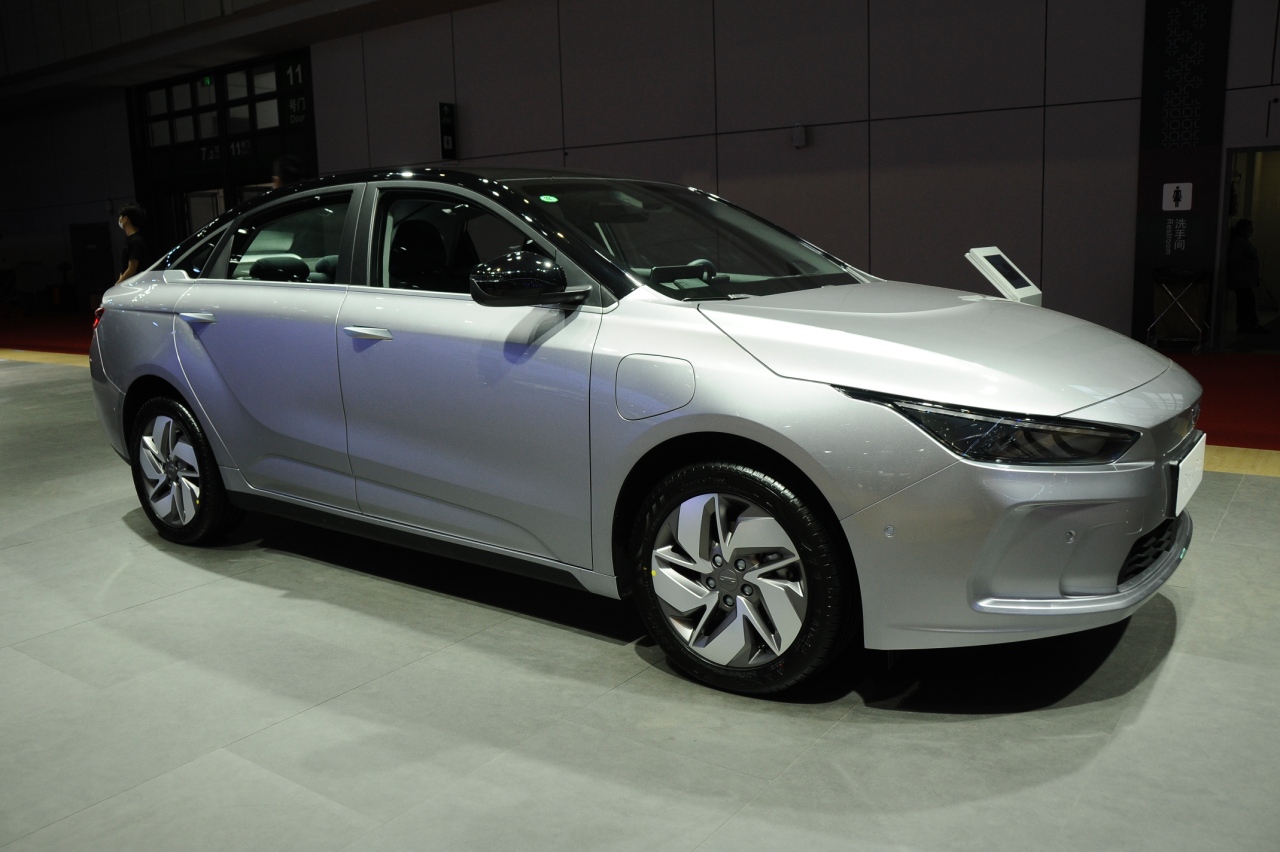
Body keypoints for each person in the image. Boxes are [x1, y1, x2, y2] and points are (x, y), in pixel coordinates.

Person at [1226, 219, 1266, 334]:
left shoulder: (1241, 241)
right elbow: (1234, 260)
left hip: (1243, 280)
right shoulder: (1239, 242)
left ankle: (1246, 324)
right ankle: (1248, 325)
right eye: (1249, 227)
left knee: (1246, 302)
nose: (1251, 230)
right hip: (1242, 280)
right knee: (1246, 302)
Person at [115, 203, 150, 285]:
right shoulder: (130, 239)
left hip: (136, 285)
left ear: (126, 219)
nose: (119, 219)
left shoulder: (136, 241)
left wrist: (118, 284)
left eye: (121, 216)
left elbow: (132, 269)